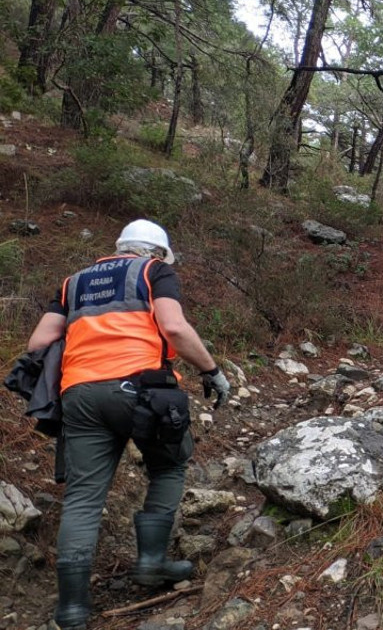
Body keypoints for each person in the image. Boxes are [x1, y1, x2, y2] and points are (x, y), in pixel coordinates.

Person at [23, 219, 233, 630]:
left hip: (79, 394)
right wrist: (211, 369)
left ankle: (72, 610)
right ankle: (152, 562)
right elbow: (173, 326)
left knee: (83, 498)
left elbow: (38, 343)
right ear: (156, 252)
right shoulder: (154, 271)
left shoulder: (74, 283)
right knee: (170, 463)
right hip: (141, 390)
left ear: (120, 247)